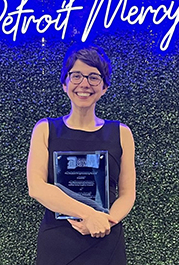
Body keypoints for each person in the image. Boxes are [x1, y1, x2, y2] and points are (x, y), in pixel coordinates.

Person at [27, 44, 136, 265]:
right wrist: (89, 215)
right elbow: (36, 187)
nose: (84, 84)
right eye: (76, 75)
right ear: (65, 83)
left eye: (94, 77)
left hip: (106, 237)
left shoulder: (121, 133)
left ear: (104, 87)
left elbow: (127, 194)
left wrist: (104, 221)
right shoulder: (45, 129)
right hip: (58, 242)